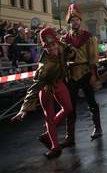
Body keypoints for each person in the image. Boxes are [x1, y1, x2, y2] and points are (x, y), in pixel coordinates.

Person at [11, 27, 73, 159]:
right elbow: (34, 88)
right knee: (49, 117)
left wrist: (71, 50)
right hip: (45, 88)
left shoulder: (61, 46)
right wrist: (24, 109)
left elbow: (68, 49)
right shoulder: (44, 67)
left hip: (58, 82)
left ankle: (48, 133)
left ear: (57, 42)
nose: (51, 48)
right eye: (48, 46)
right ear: (44, 47)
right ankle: (55, 147)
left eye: (53, 44)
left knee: (68, 108)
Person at [60, 4, 102, 147]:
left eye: (77, 19)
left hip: (85, 72)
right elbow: (61, 58)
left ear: (80, 20)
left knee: (91, 101)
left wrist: (93, 75)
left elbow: (93, 57)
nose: (75, 22)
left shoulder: (88, 37)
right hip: (71, 74)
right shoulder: (64, 39)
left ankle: (97, 127)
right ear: (69, 22)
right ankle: (70, 136)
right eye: (72, 20)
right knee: (70, 106)